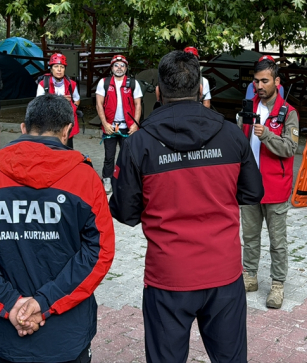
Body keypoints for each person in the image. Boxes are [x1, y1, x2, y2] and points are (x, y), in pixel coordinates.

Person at [110, 50, 263, 363]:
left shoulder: (139, 143)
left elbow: (125, 211)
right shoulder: (231, 135)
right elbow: (252, 192)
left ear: (158, 93)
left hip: (169, 275)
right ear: (201, 89)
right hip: (224, 273)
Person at [0, 94, 114, 363]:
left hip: (8, 330)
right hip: (66, 333)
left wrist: (11, 303)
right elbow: (99, 253)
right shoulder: (86, 179)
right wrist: (43, 303)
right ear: (66, 131)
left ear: (24, 129)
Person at [238, 58, 299, 309]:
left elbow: (290, 148)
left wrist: (268, 136)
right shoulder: (247, 107)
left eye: (265, 81)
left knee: (277, 241)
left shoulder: (288, 112)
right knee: (250, 236)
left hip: (276, 187)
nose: (259, 85)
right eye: (256, 81)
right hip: (249, 186)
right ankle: (249, 276)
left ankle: (277, 285)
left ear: (276, 82)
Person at [95, 54, 143, 193]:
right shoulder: (104, 82)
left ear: (126, 68)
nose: (119, 67)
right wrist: (104, 123)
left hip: (127, 127)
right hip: (110, 126)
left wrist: (135, 124)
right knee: (109, 156)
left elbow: (138, 104)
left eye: (122, 65)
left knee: (127, 156)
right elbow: (99, 104)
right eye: (116, 65)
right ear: (112, 67)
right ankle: (107, 180)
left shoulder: (133, 83)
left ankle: (124, 181)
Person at [36, 53, 80, 148]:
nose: (59, 70)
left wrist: (73, 109)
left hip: (66, 124)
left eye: (62, 67)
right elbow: (39, 104)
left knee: (68, 151)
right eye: (56, 66)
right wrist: (59, 100)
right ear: (51, 69)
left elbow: (77, 99)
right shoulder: (43, 84)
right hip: (49, 124)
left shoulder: (71, 84)